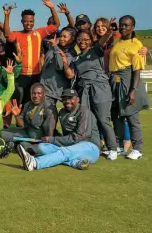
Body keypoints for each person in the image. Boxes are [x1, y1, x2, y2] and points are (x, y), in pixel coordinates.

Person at [16, 89, 101, 171]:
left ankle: (35, 163)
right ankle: (75, 162)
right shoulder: (62, 113)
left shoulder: (84, 112)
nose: (67, 101)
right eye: (64, 99)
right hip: (71, 147)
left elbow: (79, 137)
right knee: (43, 147)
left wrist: (53, 139)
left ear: (77, 99)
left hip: (90, 147)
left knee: (64, 152)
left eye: (70, 98)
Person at [70, 28, 118, 159]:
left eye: (86, 39)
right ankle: (96, 147)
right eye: (79, 39)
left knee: (103, 120)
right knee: (91, 120)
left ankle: (113, 148)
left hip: (100, 88)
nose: (82, 42)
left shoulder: (95, 51)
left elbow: (102, 41)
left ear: (91, 40)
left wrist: (109, 32)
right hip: (85, 91)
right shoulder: (76, 59)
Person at [1, 0, 60, 105]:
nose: (28, 23)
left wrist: (52, 8)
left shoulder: (39, 33)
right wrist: (7, 16)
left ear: (34, 21)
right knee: (19, 103)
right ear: (22, 22)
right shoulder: (17, 34)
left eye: (31, 21)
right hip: (21, 76)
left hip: (36, 75)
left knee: (32, 104)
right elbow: (6, 34)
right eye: (25, 21)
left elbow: (56, 25)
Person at [109, 15, 149, 160]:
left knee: (131, 115)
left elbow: (137, 70)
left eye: (126, 25)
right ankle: (120, 146)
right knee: (117, 115)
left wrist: (133, 90)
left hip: (128, 78)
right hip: (115, 80)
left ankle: (137, 148)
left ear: (133, 27)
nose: (123, 27)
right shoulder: (118, 42)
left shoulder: (136, 44)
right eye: (121, 25)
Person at [0, 85, 56, 155]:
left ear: (44, 94)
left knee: (24, 146)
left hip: (39, 139)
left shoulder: (48, 108)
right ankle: (18, 144)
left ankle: (20, 145)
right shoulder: (28, 104)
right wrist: (16, 116)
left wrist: (47, 143)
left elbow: (50, 130)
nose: (36, 96)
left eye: (39, 93)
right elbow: (21, 124)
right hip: (26, 133)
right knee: (2, 133)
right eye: (33, 93)